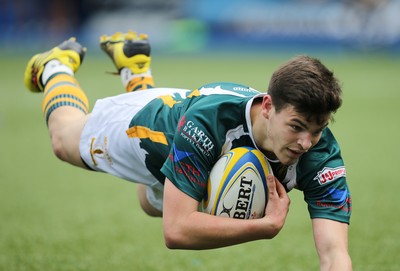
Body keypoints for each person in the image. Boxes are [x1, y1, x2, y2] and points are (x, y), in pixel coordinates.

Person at [23, 30, 352, 270]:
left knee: (150, 204)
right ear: (268, 106)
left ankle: (135, 68)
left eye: (318, 129)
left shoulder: (321, 155)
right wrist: (264, 227)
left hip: (193, 143)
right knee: (63, 140)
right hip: (153, 129)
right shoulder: (208, 123)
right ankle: (56, 65)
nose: (307, 142)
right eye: (296, 127)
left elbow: (335, 254)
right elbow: (177, 230)